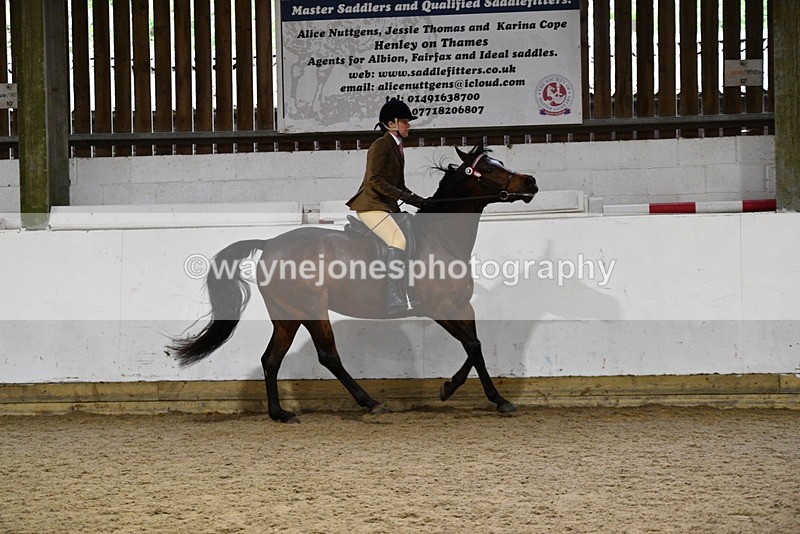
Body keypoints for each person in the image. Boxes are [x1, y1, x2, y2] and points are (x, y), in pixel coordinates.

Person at [346, 98, 428, 316]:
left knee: (412, 235)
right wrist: (406, 197)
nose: (408, 125)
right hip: (371, 205)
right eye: (404, 121)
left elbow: (398, 185)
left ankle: (411, 292)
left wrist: (421, 200)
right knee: (397, 240)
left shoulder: (397, 147)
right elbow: (374, 181)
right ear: (391, 124)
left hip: (386, 205)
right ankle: (393, 296)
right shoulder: (381, 145)